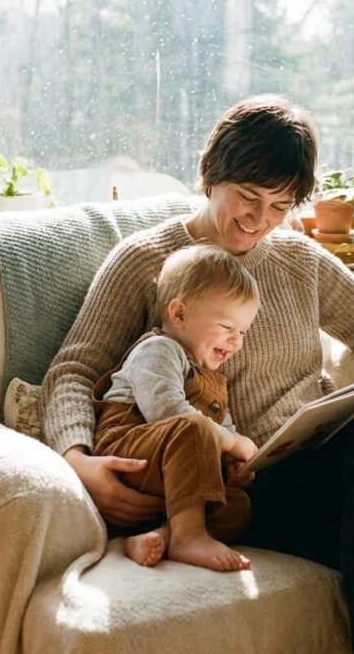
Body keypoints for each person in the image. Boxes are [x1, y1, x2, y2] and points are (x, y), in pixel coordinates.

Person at [42, 94, 354, 654]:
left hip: (313, 457)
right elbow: (73, 370)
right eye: (247, 198)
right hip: (228, 485)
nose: (258, 220)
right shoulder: (145, 261)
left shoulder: (299, 260)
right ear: (212, 175)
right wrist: (79, 462)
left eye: (279, 206)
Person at [92, 244, 260, 572]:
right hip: (132, 454)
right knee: (194, 426)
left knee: (238, 505)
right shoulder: (159, 351)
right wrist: (231, 443)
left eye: (242, 332)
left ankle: (161, 536)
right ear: (179, 313)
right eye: (228, 328)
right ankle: (189, 536)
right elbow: (168, 412)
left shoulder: (212, 381)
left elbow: (224, 431)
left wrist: (236, 463)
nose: (236, 341)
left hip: (176, 478)